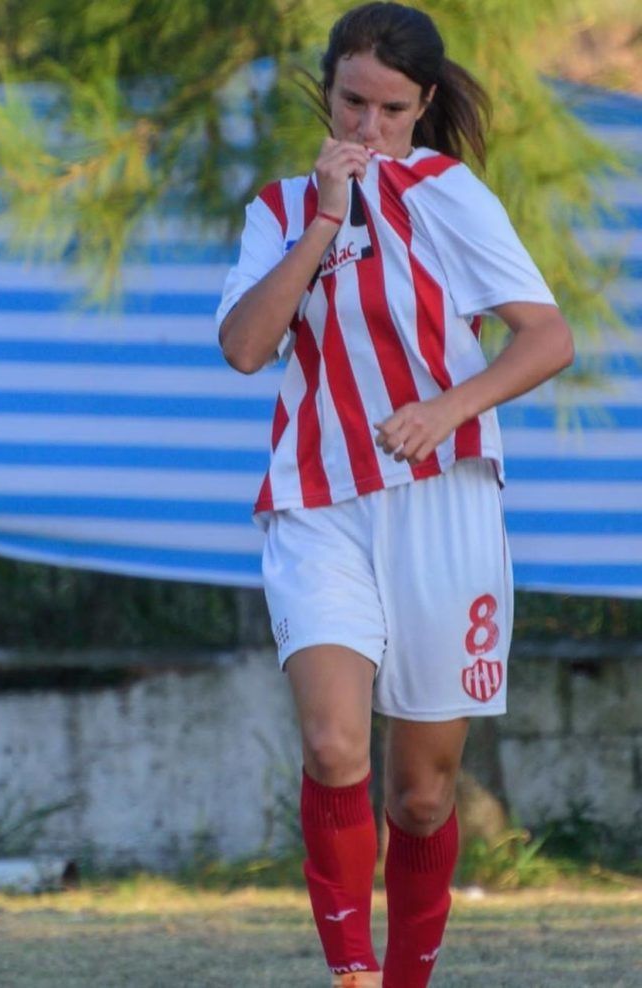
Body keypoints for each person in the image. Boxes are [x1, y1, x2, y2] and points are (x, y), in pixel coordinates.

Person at [216, 3, 574, 986]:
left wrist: (444, 408)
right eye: (349, 103)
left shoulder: (450, 196)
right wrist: (324, 223)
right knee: (334, 745)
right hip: (316, 501)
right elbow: (246, 348)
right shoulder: (279, 209)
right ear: (325, 90)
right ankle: (352, 978)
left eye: (388, 109)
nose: (365, 128)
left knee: (420, 796)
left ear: (420, 108)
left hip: (441, 503)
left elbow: (546, 336)